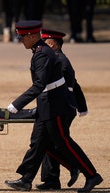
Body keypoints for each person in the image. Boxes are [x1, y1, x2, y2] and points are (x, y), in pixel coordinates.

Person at [4, 20, 102, 192]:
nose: (21, 41)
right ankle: (26, 179)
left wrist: (16, 105)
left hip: (55, 105)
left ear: (33, 36)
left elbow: (39, 85)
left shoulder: (42, 54)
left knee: (63, 143)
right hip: (47, 103)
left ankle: (92, 175)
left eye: (23, 37)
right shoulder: (39, 51)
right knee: (38, 142)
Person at [36, 28, 89, 190]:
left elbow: (70, 86)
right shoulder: (57, 59)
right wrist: (82, 107)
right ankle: (51, 179)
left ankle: (76, 168)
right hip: (57, 106)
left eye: (44, 43)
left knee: (57, 142)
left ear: (52, 45)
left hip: (60, 107)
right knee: (50, 142)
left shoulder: (59, 61)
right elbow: (76, 84)